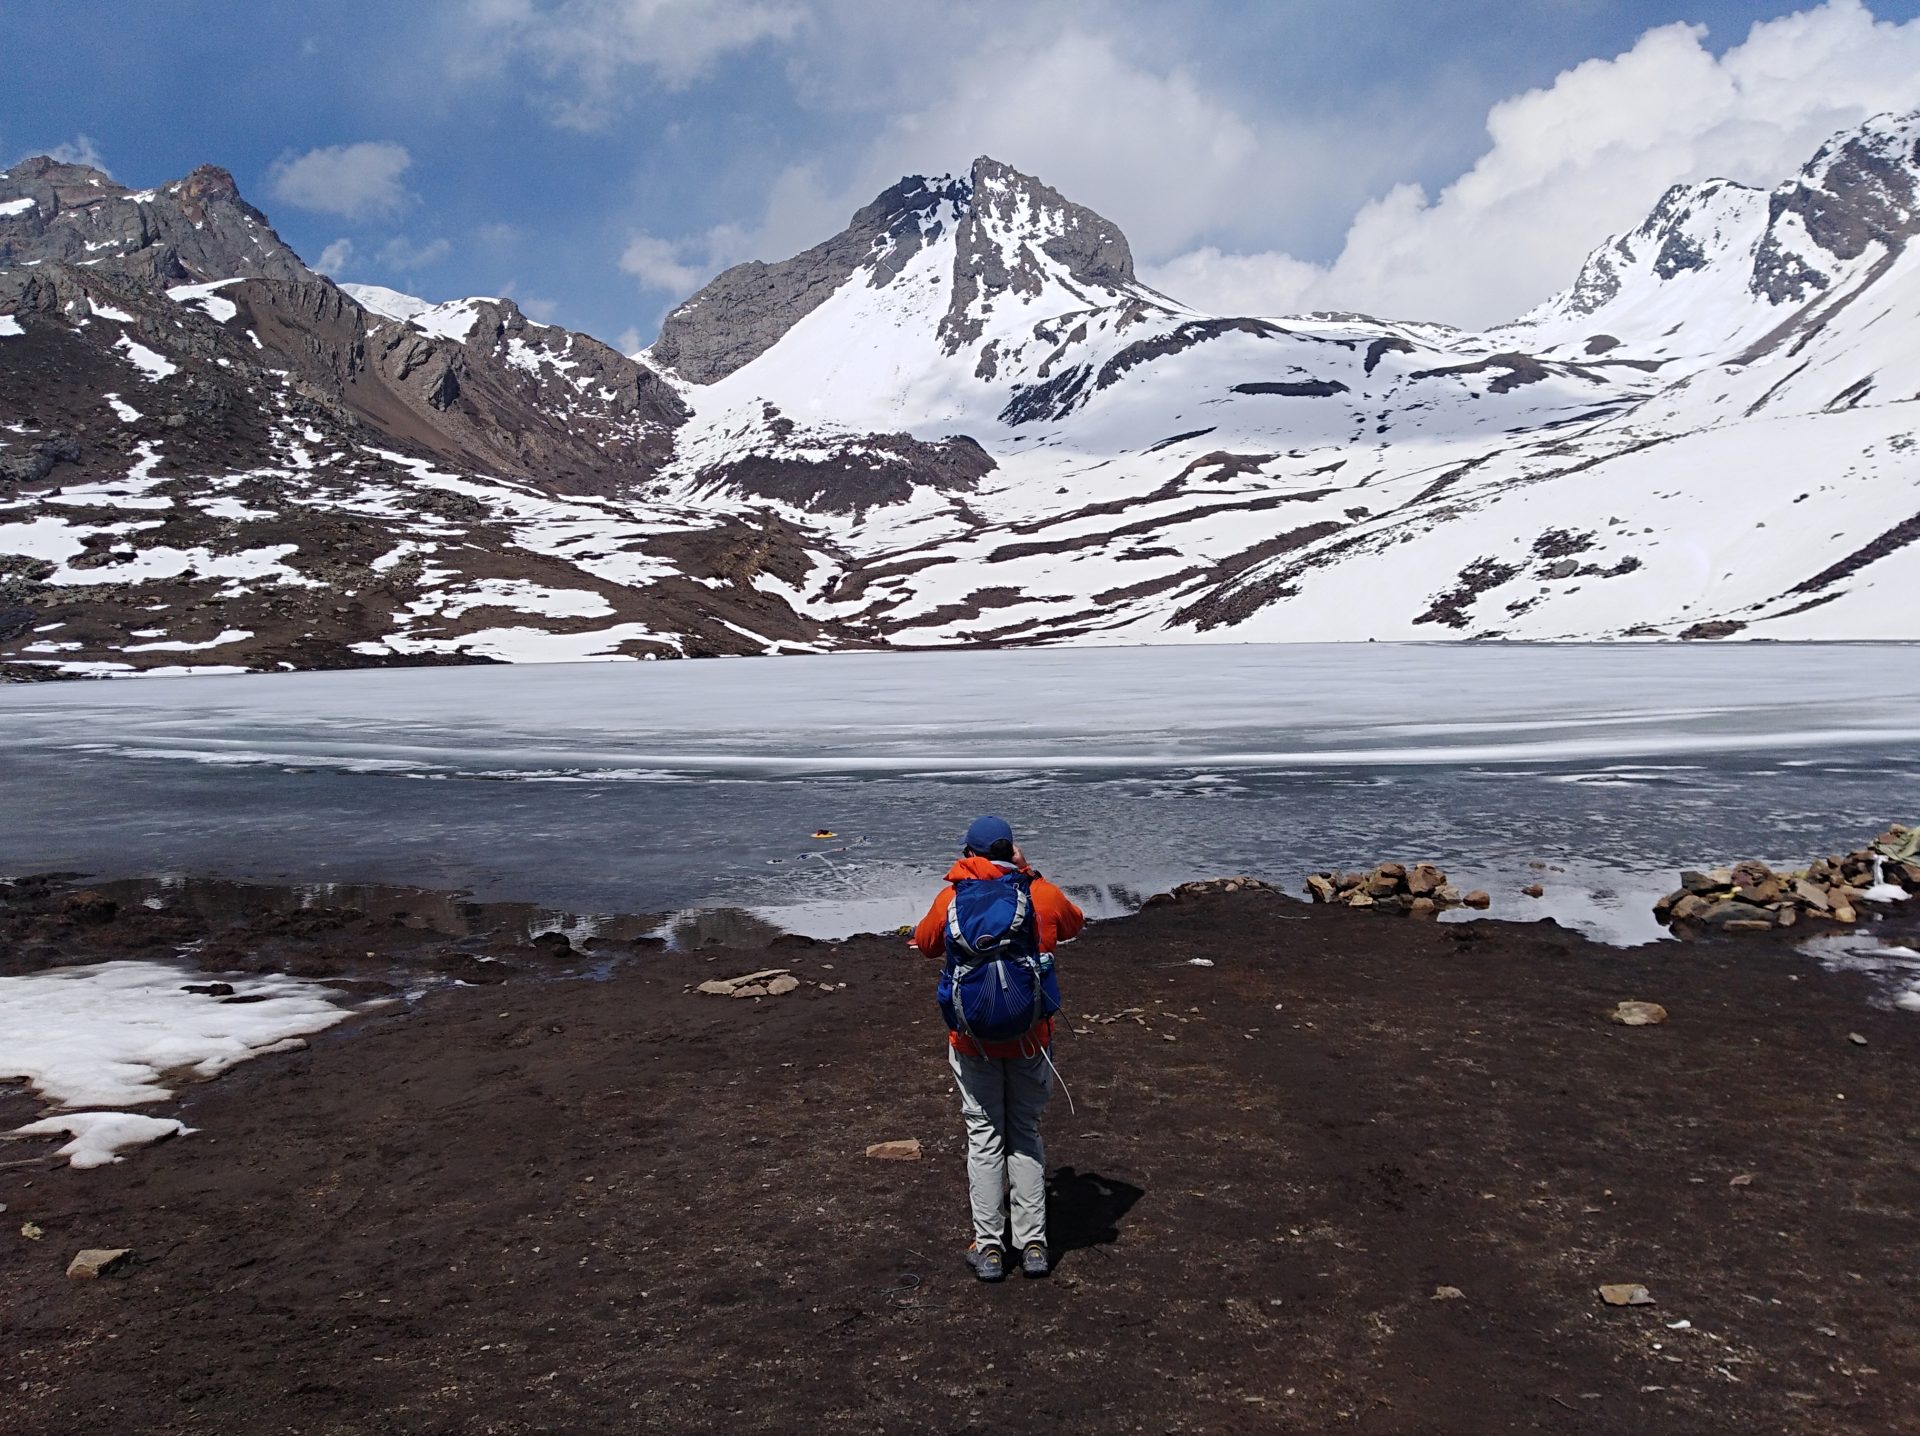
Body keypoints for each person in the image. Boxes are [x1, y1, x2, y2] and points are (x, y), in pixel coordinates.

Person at [912, 814, 1085, 1282]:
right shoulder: (1038, 895)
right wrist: (1032, 874)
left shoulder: (952, 897)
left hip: (972, 1042)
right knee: (1024, 1131)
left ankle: (989, 1248)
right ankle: (1033, 1245)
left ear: (968, 853)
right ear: (1012, 851)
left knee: (985, 1137)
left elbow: (925, 943)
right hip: (1032, 1039)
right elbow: (1074, 924)